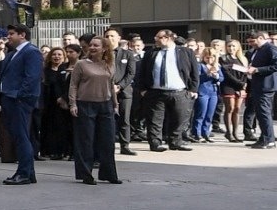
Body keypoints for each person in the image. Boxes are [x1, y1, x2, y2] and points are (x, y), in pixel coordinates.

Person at [133, 29, 198, 152]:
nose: (155, 40)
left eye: (158, 37)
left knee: (179, 118)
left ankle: (175, 142)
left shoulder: (186, 52)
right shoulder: (151, 53)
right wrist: (142, 89)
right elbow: (142, 72)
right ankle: (155, 143)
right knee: (154, 120)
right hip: (155, 92)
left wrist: (193, 89)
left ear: (168, 38)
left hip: (179, 91)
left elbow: (194, 72)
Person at [71, 38, 123, 185]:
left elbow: (111, 84)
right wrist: (73, 103)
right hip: (85, 104)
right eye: (91, 45)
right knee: (85, 141)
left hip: (105, 105)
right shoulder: (81, 64)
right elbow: (73, 85)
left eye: (96, 45)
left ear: (104, 48)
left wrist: (115, 103)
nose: (92, 47)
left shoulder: (109, 64)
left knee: (108, 140)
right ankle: (85, 174)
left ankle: (108, 173)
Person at [0, 26, 43, 183]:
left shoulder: (31, 52)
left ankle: (23, 173)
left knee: (21, 135)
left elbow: (32, 77)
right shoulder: (12, 54)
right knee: (18, 135)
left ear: (22, 35)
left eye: (11, 34)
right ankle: (29, 172)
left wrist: (20, 95)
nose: (8, 37)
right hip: (9, 97)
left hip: (19, 99)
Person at [247, 30, 277, 148]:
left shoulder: (270, 48)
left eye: (253, 41)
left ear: (261, 38)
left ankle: (269, 140)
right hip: (258, 84)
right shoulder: (258, 50)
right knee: (260, 113)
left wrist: (257, 70)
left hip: (266, 85)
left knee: (264, 112)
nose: (251, 44)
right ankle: (264, 137)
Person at [42, 46, 76, 160]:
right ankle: (53, 151)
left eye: (59, 54)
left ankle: (69, 151)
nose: (56, 57)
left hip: (66, 101)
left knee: (67, 127)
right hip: (50, 102)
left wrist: (64, 98)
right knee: (52, 127)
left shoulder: (67, 68)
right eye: (54, 54)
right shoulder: (46, 70)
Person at [190, 37, 222, 143]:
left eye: (212, 57)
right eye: (207, 57)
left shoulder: (217, 66)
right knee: (201, 113)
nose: (210, 60)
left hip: (213, 92)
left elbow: (221, 78)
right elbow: (197, 78)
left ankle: (206, 132)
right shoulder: (200, 66)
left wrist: (216, 75)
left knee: (210, 114)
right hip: (203, 91)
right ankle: (196, 133)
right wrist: (208, 74)